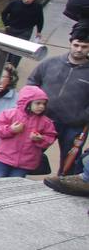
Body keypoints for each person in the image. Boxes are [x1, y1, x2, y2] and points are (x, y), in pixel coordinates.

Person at [29, 22, 89, 189]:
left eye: (84, 46)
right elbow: (32, 82)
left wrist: (83, 116)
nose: (79, 49)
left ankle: (65, 188)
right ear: (71, 43)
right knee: (29, 153)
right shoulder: (50, 63)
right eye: (76, 45)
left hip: (74, 126)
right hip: (44, 120)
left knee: (70, 163)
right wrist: (33, 106)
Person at [0, 85, 56, 177]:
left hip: (26, 161)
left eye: (44, 104)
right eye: (38, 103)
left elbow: (51, 137)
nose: (41, 106)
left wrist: (40, 139)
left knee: (16, 181)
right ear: (26, 103)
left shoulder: (45, 122)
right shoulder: (10, 114)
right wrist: (11, 129)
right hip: (4, 157)